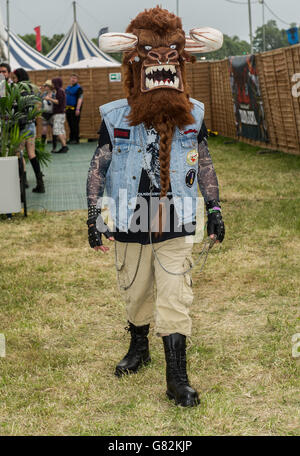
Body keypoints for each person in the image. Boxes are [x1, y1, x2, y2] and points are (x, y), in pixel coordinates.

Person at [87, 7, 225, 408]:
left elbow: (205, 161)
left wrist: (213, 208)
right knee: (136, 292)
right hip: (130, 217)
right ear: (134, 62)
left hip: (176, 218)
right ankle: (139, 346)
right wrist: (94, 215)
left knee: (174, 295)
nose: (162, 62)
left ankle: (177, 377)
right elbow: (99, 165)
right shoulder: (114, 117)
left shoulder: (193, 113)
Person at [12, 68, 45, 193]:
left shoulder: (19, 89)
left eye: (14, 78)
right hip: (31, 125)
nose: (13, 80)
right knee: (32, 154)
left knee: (19, 152)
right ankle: (40, 183)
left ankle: (23, 182)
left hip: (22, 125)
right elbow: (38, 105)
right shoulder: (32, 89)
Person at [45, 78, 68, 154]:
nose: (52, 85)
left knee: (57, 130)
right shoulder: (61, 91)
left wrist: (49, 99)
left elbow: (58, 102)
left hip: (58, 114)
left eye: (53, 83)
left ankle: (64, 146)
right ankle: (64, 145)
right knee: (61, 129)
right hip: (61, 114)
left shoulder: (59, 91)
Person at [65, 74, 83, 144]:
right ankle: (71, 138)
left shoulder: (79, 88)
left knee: (75, 124)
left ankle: (76, 139)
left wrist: (78, 109)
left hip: (75, 109)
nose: (73, 79)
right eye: (72, 78)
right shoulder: (68, 88)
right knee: (70, 124)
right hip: (68, 108)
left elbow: (80, 99)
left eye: (75, 78)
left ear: (77, 80)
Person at [40, 80, 56, 151]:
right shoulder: (43, 94)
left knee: (54, 131)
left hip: (52, 113)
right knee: (44, 130)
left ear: (49, 87)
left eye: (46, 86)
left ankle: (54, 147)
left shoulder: (54, 94)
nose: (45, 87)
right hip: (45, 113)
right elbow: (38, 98)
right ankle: (42, 147)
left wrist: (50, 99)